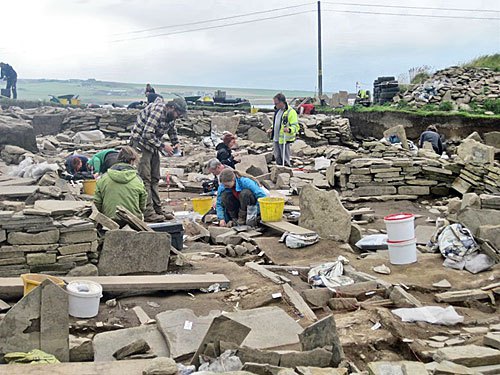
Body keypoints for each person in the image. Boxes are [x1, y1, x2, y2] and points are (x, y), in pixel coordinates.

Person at [129, 97, 187, 222]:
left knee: (155, 177)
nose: (178, 116)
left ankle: (157, 209)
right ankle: (148, 212)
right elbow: (147, 134)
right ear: (171, 107)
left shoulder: (171, 116)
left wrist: (175, 142)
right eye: (178, 113)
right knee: (145, 178)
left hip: (152, 145)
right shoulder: (158, 110)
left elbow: (172, 130)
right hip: (140, 144)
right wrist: (163, 146)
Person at [94, 146, 147, 222]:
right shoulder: (137, 180)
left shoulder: (103, 178)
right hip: (133, 221)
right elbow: (142, 205)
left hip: (110, 221)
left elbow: (97, 203)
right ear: (132, 161)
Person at [267, 93, 299, 167]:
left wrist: (289, 129)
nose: (275, 105)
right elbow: (276, 123)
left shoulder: (291, 112)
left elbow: (296, 126)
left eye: (276, 103)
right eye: (274, 103)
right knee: (277, 156)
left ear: (282, 102)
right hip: (276, 138)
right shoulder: (277, 111)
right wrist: (271, 128)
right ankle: (278, 171)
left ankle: (287, 171)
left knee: (285, 157)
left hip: (284, 139)